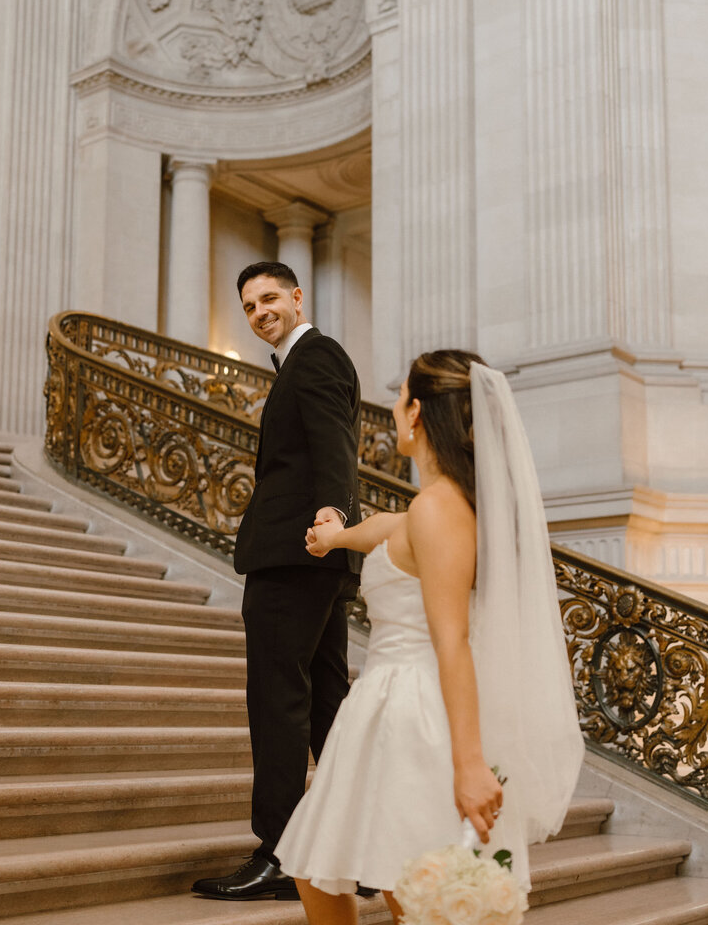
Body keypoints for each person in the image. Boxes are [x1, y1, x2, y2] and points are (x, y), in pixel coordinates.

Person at [275, 350, 585, 925]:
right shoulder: (439, 509)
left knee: (415, 891)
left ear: (416, 412)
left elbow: (452, 640)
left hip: (417, 711)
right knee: (321, 867)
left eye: (398, 398)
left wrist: (468, 765)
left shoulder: (439, 510)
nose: (393, 410)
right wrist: (337, 537)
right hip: (388, 706)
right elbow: (385, 528)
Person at [191, 261, 363, 901]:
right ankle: (359, 850)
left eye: (269, 299)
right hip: (315, 556)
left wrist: (333, 514)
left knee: (277, 700)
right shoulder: (302, 361)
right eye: (249, 306)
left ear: (297, 297)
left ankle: (282, 853)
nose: (260, 312)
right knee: (327, 705)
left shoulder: (315, 356)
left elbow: (334, 443)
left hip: (298, 553)